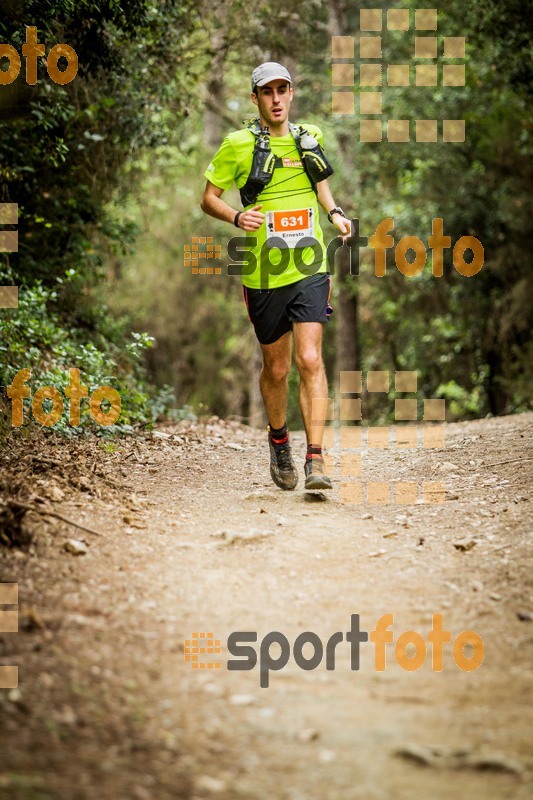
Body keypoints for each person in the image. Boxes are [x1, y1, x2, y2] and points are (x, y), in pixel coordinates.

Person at [200, 61, 351, 491]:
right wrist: (236, 216)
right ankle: (279, 440)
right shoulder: (238, 144)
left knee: (310, 359)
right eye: (268, 92)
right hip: (263, 273)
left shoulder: (310, 138)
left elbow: (321, 185)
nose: (277, 98)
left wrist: (335, 213)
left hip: (309, 265)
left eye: (283, 90)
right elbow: (208, 198)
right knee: (277, 367)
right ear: (255, 98)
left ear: (291, 93)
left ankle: (316, 459)